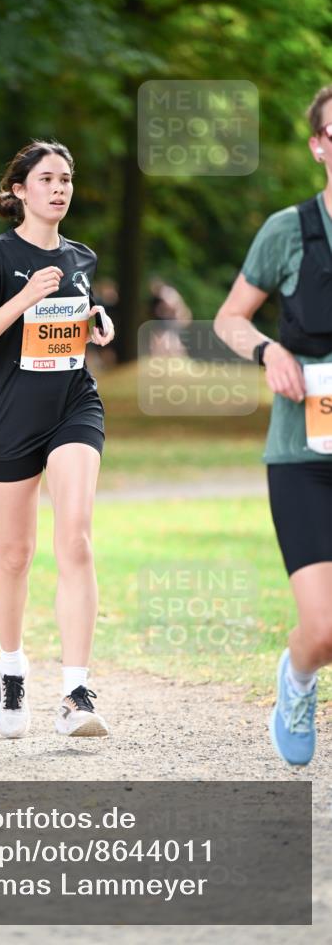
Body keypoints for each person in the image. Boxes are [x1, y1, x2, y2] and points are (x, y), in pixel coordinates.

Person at [0, 140, 115, 739]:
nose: (60, 188)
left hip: (74, 404)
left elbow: (72, 324)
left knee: (75, 539)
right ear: (19, 190)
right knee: (15, 552)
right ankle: (12, 667)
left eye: (67, 179)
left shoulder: (81, 257)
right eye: (47, 178)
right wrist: (24, 298)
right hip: (8, 415)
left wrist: (95, 325)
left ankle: (75, 690)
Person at [214, 84, 332, 767]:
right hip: (301, 455)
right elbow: (229, 318)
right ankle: (297, 679)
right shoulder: (286, 231)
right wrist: (268, 348)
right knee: (321, 632)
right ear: (319, 146)